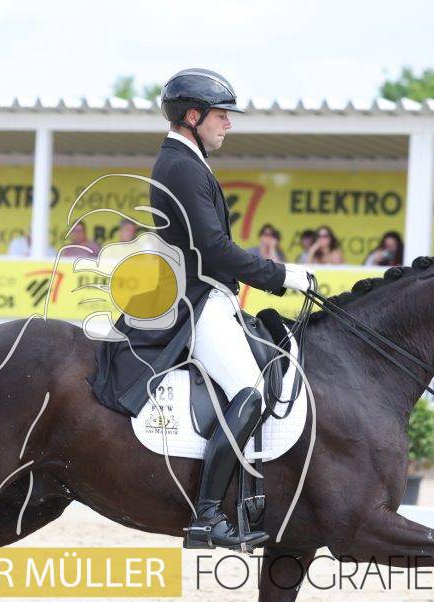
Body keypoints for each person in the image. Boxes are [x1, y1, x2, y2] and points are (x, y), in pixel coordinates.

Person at [90, 68, 312, 550]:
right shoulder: (181, 166)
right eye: (221, 115)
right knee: (250, 391)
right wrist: (281, 275)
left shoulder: (187, 161)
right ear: (193, 116)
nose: (228, 124)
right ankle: (207, 515)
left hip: (206, 292)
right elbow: (212, 248)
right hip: (197, 298)